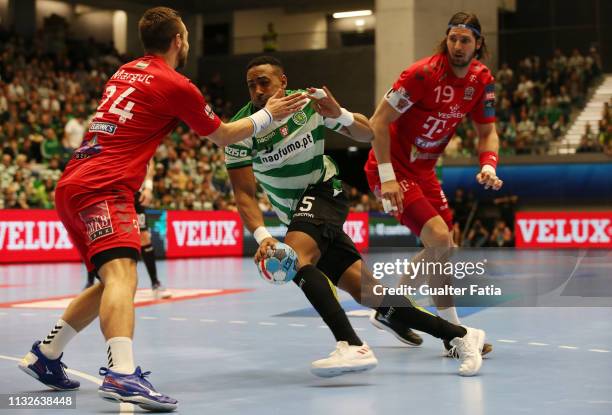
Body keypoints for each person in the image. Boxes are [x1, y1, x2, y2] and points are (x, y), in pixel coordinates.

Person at [18, 7, 305, 412]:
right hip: (104, 187)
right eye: (186, 37)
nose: (186, 43)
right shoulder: (175, 84)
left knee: (110, 282)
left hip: (75, 183)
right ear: (178, 42)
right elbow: (223, 135)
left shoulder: (125, 71)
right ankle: (121, 373)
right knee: (122, 275)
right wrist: (267, 115)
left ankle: (46, 355)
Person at [225, 55, 486, 378]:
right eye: (251, 85)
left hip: (323, 192)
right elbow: (244, 195)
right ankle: (459, 335)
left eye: (264, 82)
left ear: (283, 81)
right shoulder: (242, 128)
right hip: (298, 214)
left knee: (295, 260)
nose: (258, 90)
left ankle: (351, 344)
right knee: (369, 292)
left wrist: (341, 115)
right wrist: (264, 236)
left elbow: (367, 135)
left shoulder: (307, 103)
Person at [366, 12, 502, 356]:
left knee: (445, 246)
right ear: (446, 39)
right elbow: (377, 122)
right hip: (392, 168)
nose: (458, 46)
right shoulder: (421, 74)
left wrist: (487, 164)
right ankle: (453, 335)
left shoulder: (482, 80)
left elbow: (487, 131)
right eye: (453, 38)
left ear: (478, 44)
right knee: (439, 238)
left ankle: (391, 310)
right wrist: (387, 177)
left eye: (465, 40)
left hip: (425, 170)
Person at [84, 160, 171, 299]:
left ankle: (155, 283)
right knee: (97, 235)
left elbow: (150, 162)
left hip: (134, 193)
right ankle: (90, 283)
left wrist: (148, 187)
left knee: (144, 238)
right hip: (109, 190)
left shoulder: (144, 141)